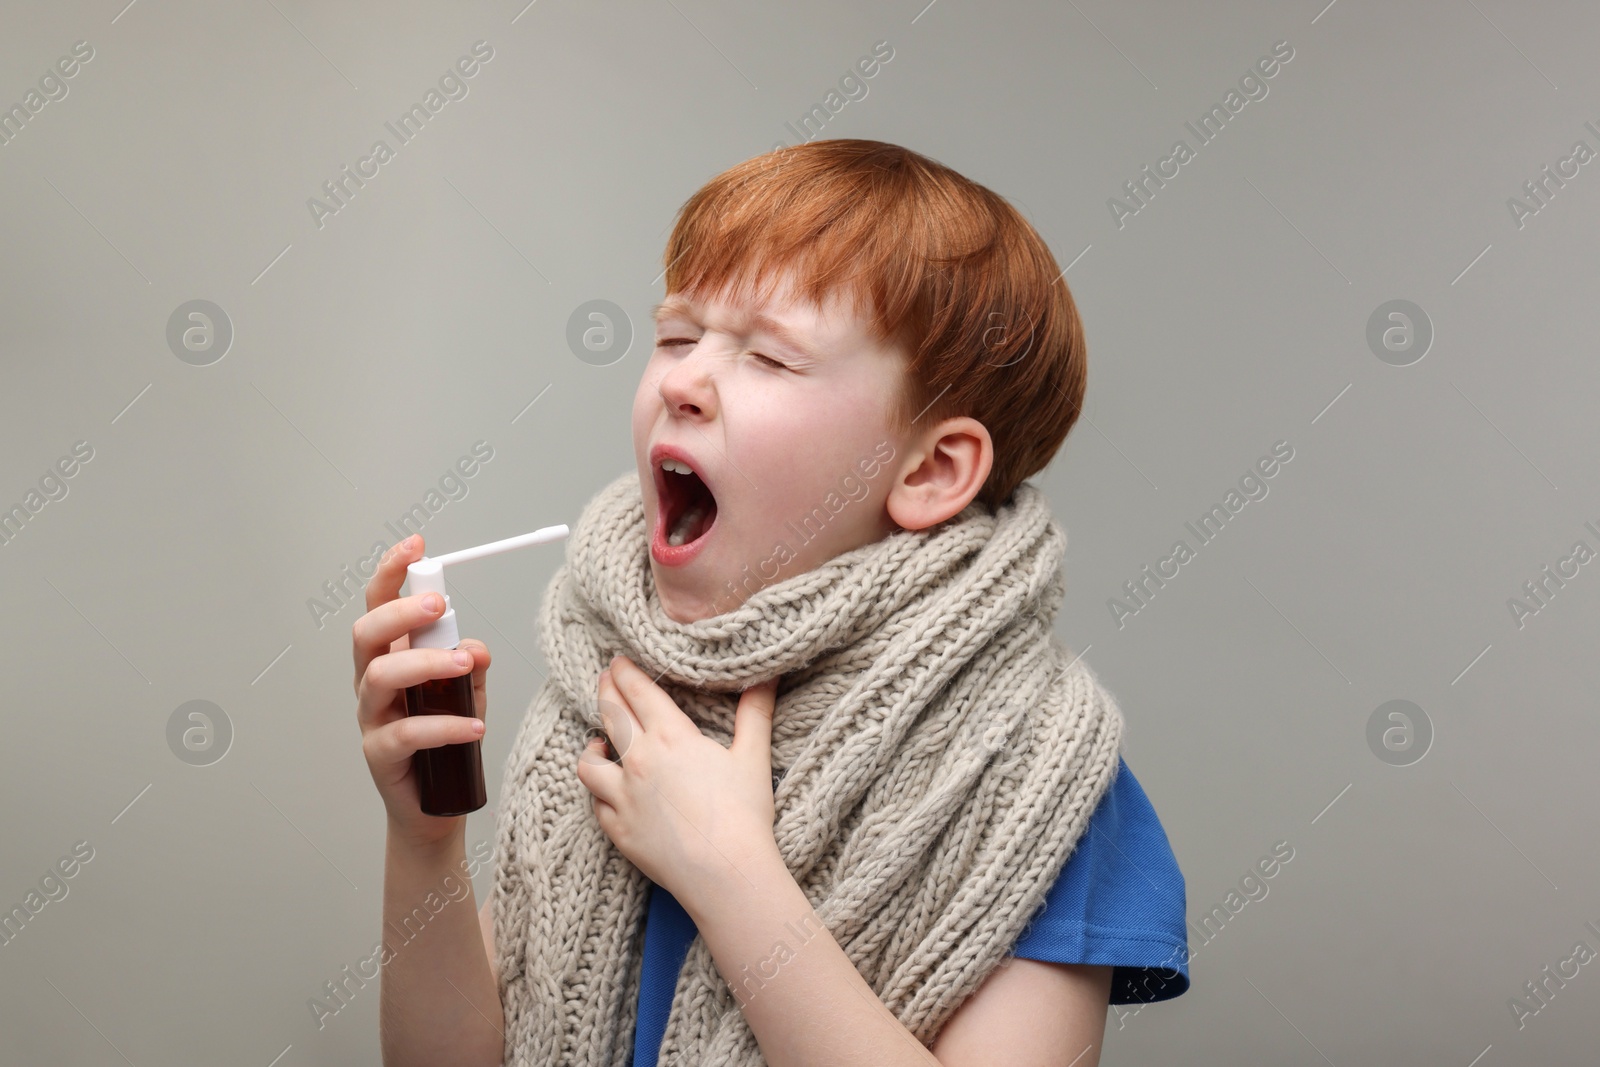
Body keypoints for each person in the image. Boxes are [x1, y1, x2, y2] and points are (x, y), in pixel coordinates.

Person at [353, 139, 1189, 1067]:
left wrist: (730, 873)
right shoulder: (611, 699)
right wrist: (424, 840)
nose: (680, 380)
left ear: (929, 469)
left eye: (770, 359)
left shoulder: (1030, 774)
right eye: (676, 336)